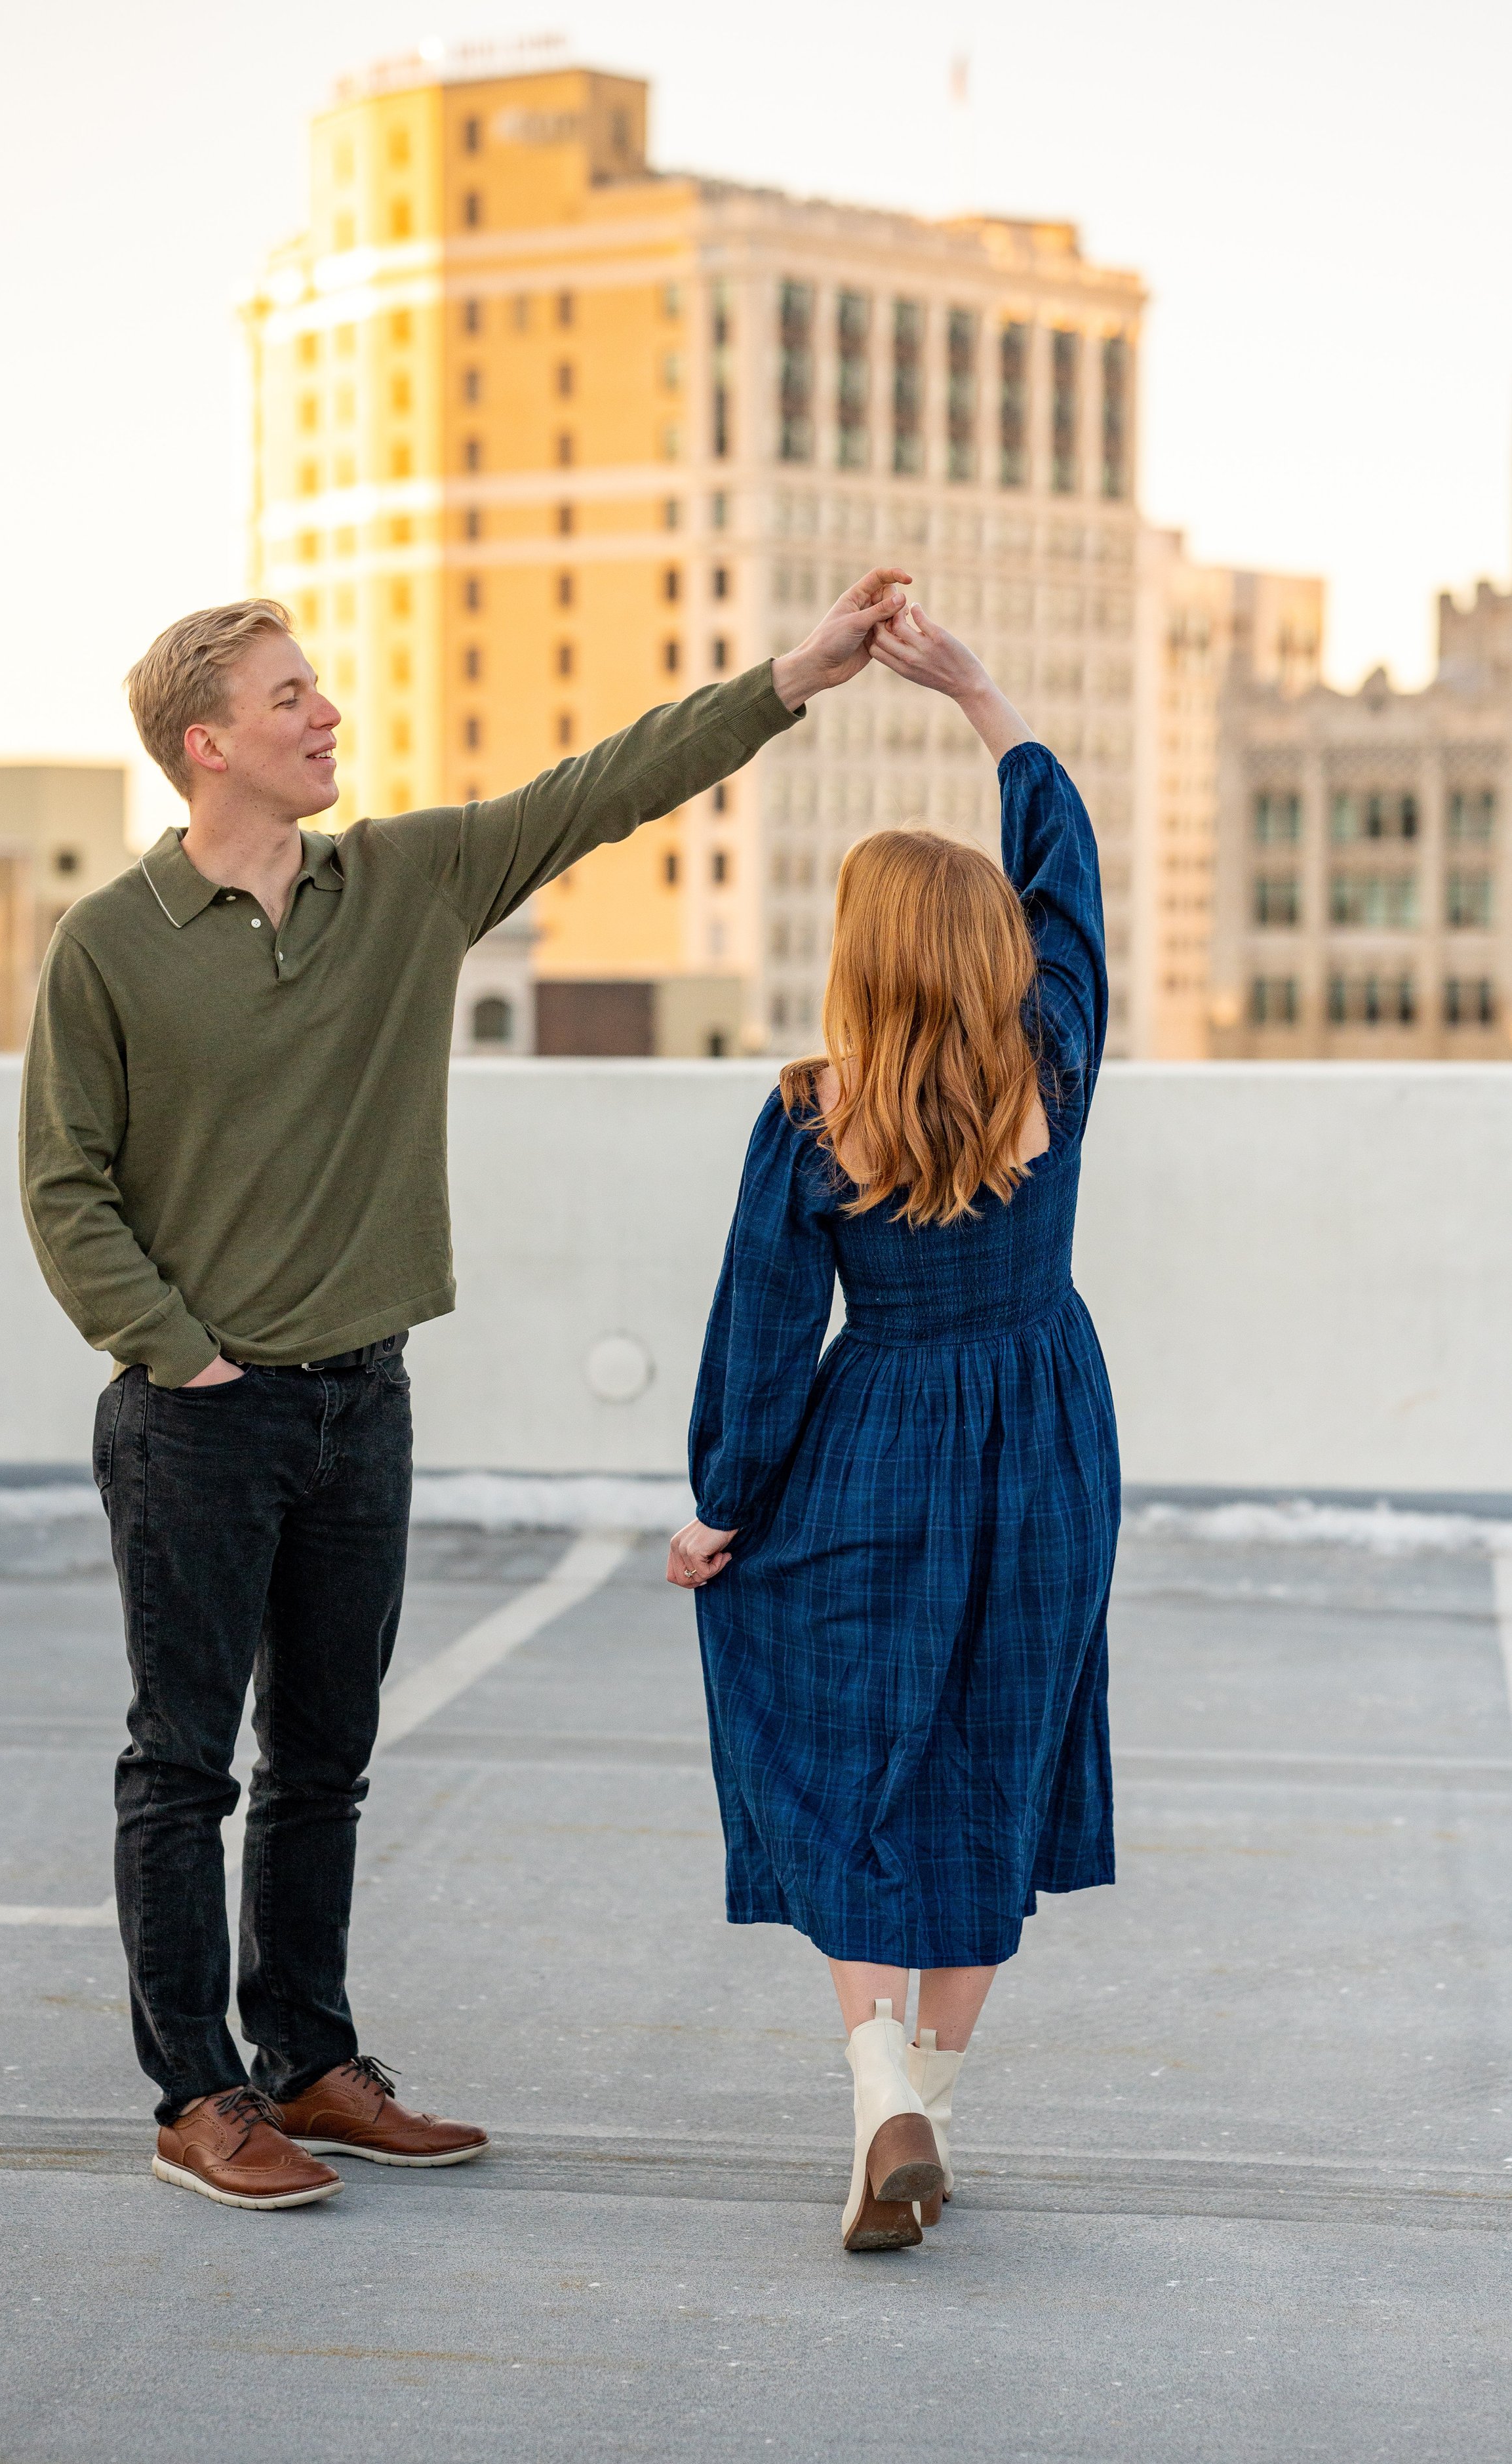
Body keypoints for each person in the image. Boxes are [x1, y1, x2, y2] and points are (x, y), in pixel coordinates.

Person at [20, 571, 910, 2211]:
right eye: (291, 698)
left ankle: (308, 2061)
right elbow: (67, 1183)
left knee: (325, 1756)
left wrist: (796, 675)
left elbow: (602, 787)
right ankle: (196, 2096)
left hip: (365, 1398)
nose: (325, 715)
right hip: (197, 1418)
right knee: (182, 1763)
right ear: (205, 743)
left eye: (320, 691)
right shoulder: (111, 945)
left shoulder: (409, 881)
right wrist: (178, 1350)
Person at [667, 605, 1117, 2253]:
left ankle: (879, 2093)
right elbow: (1070, 884)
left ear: (858, 959)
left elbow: (763, 1335)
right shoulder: (1050, 1062)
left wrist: (724, 1508)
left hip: (875, 1447)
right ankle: (927, 2098)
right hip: (1046, 1437)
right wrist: (983, 699)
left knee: (850, 1763)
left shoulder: (809, 1112)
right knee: (992, 1760)